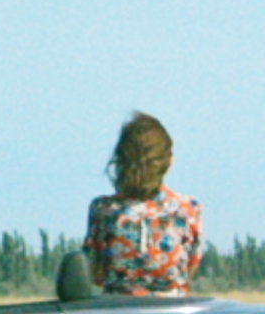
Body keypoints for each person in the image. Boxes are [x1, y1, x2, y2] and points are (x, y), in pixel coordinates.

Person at [84, 112, 204, 295]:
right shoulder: (188, 209)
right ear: (167, 162)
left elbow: (94, 273)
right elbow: (190, 268)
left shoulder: (104, 210)